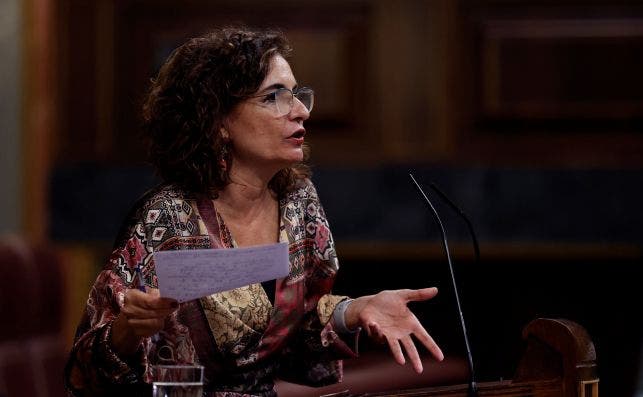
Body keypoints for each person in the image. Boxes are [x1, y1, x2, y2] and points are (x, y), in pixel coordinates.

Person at [64, 27, 444, 397]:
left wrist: (357, 309)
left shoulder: (300, 204)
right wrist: (127, 333)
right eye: (274, 97)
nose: (300, 112)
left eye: (298, 95)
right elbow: (85, 371)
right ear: (219, 122)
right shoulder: (165, 218)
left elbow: (297, 335)